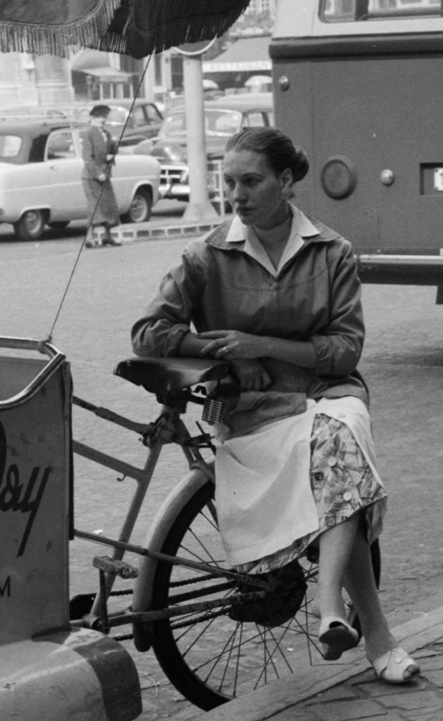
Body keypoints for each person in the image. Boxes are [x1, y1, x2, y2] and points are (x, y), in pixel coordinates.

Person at [130, 125, 418, 682]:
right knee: (345, 474)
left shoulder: (331, 253)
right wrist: (213, 347)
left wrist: (261, 344)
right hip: (253, 407)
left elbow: (345, 349)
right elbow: (147, 332)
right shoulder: (206, 255)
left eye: (251, 181)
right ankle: (372, 634)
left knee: (339, 434)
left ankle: (329, 605)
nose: (236, 194)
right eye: (228, 181)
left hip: (327, 393)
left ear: (285, 182)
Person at [82, 104, 122, 247]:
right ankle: (89, 238)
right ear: (92, 118)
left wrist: (112, 155)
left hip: (105, 175)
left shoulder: (107, 134)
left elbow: (109, 154)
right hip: (91, 177)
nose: (102, 120)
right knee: (94, 206)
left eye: (104, 117)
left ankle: (107, 236)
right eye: (99, 117)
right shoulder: (89, 133)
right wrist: (97, 173)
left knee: (108, 205)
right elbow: (87, 157)